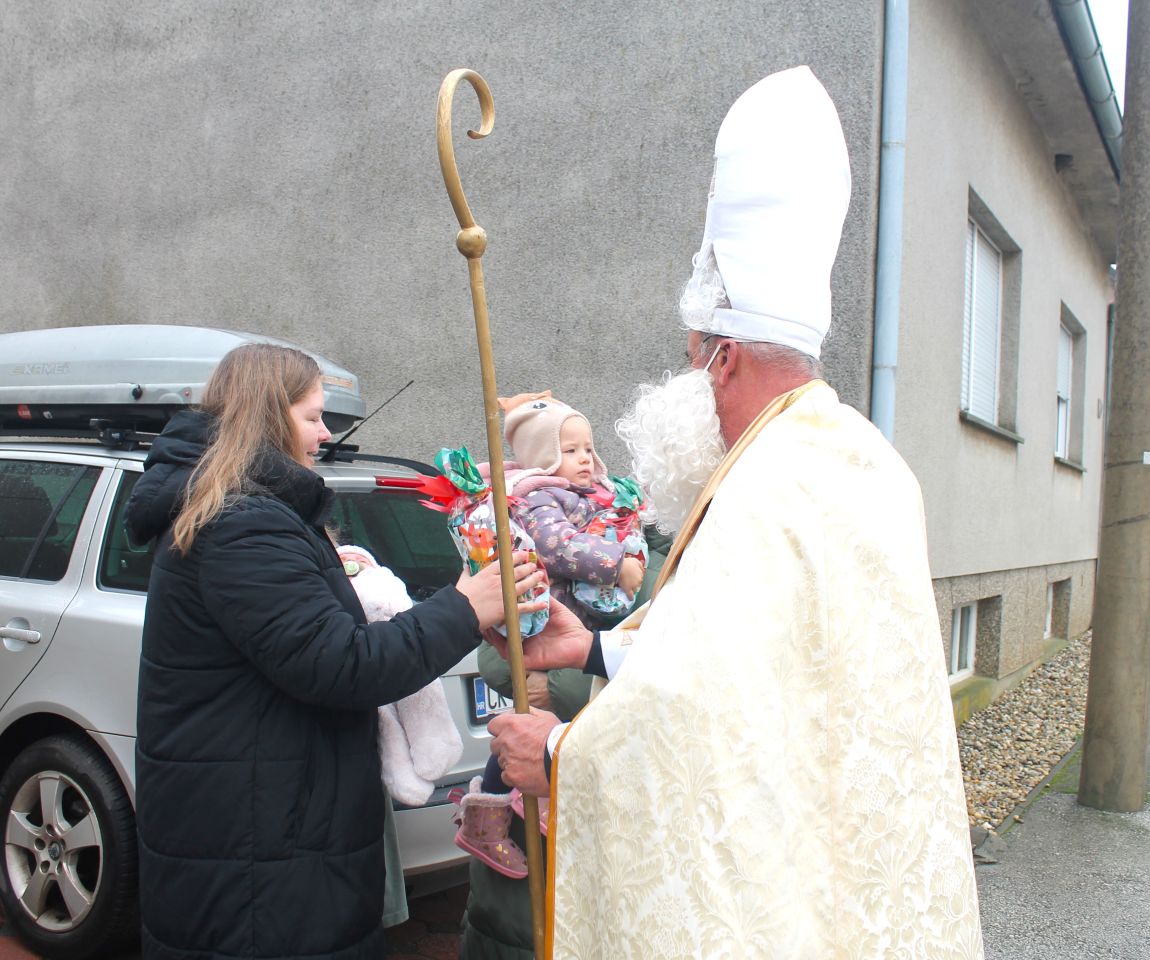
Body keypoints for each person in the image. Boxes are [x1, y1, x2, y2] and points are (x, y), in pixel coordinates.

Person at [486, 66, 984, 958]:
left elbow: (695, 707)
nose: (695, 386)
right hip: (843, 851)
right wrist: (593, 646)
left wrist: (557, 755)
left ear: (722, 359)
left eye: (692, 359)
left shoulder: (771, 483)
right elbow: (755, 656)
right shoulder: (857, 457)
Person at [124, 342, 543, 960]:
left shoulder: (242, 512)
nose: (324, 433)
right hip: (260, 853)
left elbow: (294, 641)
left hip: (263, 829)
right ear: (267, 415)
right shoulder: (241, 521)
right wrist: (464, 604)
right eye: (312, 416)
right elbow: (342, 665)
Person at [452, 393, 647, 877]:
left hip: (577, 633)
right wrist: (615, 563)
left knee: (541, 722)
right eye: (571, 450)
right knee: (530, 723)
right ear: (543, 457)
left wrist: (633, 549)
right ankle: (493, 811)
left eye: (588, 448)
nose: (585, 459)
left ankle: (517, 804)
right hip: (545, 624)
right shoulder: (540, 497)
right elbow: (556, 547)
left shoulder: (597, 499)